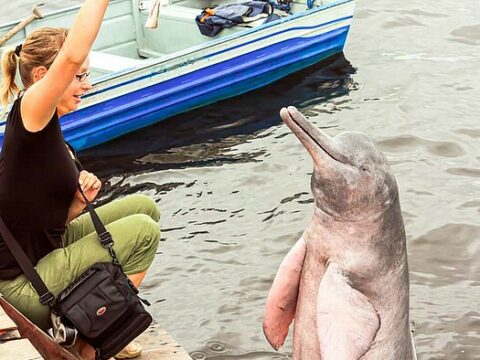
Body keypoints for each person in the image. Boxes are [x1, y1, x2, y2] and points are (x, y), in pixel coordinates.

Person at [0, 1, 161, 359]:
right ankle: (94, 341)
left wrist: (72, 206)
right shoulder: (31, 113)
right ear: (44, 77)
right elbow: (71, 55)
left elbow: (33, 222)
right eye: (79, 76)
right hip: (21, 288)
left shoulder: (45, 127)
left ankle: (96, 325)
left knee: (145, 207)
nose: (86, 84)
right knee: (142, 233)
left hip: (38, 258)